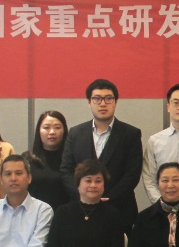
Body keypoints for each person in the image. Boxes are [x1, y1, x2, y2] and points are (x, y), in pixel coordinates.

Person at [60, 79, 144, 220]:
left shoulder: (131, 134)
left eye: (108, 98)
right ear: (89, 102)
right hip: (80, 208)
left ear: (116, 102)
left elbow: (132, 174)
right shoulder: (75, 133)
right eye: (97, 98)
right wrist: (83, 195)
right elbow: (66, 170)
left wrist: (107, 198)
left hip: (119, 209)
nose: (103, 103)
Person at [25, 110, 70, 209]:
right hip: (34, 214)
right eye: (46, 127)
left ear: (64, 130)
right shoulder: (27, 159)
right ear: (39, 131)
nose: (52, 132)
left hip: (65, 214)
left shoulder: (72, 159)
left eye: (57, 127)